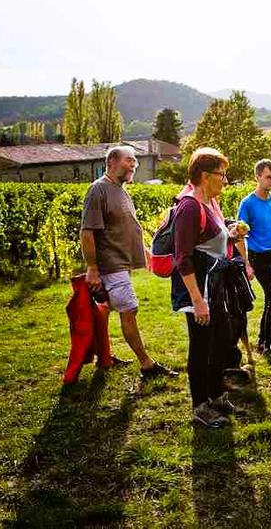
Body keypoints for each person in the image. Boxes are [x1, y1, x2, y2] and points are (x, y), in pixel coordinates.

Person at [80, 145, 177, 380]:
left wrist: (144, 251)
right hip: (110, 265)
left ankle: (103, 356)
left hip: (122, 263)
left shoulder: (121, 190)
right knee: (129, 309)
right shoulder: (98, 190)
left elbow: (124, 228)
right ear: (111, 162)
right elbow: (87, 232)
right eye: (129, 160)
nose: (134, 164)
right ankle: (146, 365)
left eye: (135, 160)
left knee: (106, 311)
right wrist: (92, 268)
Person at [170, 148, 250, 428]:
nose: (225, 180)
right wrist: (197, 301)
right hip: (198, 291)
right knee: (201, 347)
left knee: (220, 342)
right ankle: (200, 406)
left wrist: (232, 234)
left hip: (215, 287)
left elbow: (213, 240)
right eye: (222, 174)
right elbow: (183, 258)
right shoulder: (189, 207)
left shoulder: (211, 203)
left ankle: (216, 395)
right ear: (205, 176)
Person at [237, 159, 271, 355]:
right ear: (257, 177)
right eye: (267, 177)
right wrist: (246, 264)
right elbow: (239, 235)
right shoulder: (247, 204)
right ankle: (264, 342)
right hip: (258, 256)